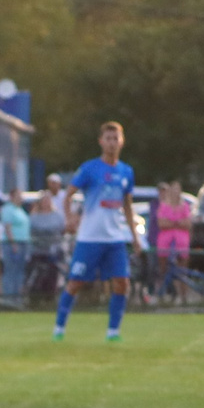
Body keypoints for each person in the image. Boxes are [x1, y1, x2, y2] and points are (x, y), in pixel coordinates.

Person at [56, 122, 137, 342]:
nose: (112, 143)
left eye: (116, 138)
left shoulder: (126, 171)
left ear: (122, 141)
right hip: (90, 238)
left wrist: (135, 237)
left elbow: (127, 205)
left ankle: (113, 332)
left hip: (115, 238)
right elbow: (68, 195)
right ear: (101, 142)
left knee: (122, 282)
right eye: (108, 138)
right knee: (75, 282)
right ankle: (59, 328)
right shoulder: (90, 168)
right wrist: (70, 217)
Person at [26, 176, 67, 304]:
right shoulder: (34, 216)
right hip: (38, 250)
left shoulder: (57, 215)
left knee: (52, 275)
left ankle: (50, 299)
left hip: (53, 251)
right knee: (37, 275)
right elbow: (32, 230)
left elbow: (62, 229)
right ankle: (35, 299)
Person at [149, 181, 193, 302]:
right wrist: (178, 222)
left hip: (181, 242)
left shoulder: (185, 206)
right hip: (165, 242)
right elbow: (162, 223)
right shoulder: (163, 206)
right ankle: (161, 295)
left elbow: (188, 223)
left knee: (182, 270)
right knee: (163, 269)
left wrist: (173, 223)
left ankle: (183, 296)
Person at [0, 188, 30, 302]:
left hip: (23, 243)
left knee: (19, 272)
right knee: (10, 271)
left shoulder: (20, 209)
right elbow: (8, 228)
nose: (21, 198)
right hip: (12, 244)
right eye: (18, 195)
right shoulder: (8, 209)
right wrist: (13, 243)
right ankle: (8, 298)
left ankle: (17, 298)